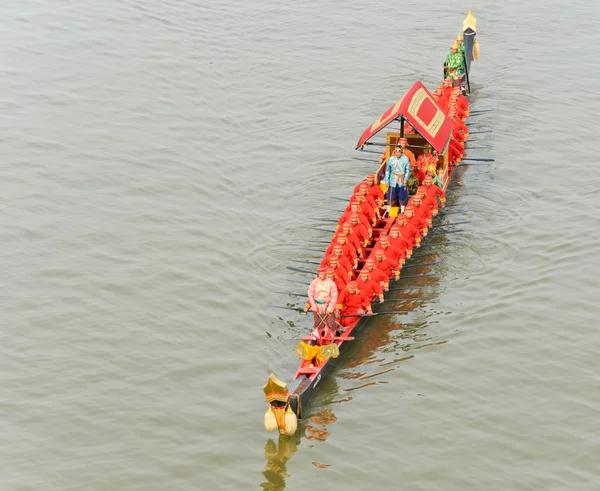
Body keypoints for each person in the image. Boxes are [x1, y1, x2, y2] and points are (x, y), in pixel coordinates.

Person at [304, 267, 338, 335]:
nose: (321, 276)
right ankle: (318, 335)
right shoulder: (314, 282)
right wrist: (313, 306)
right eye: (320, 274)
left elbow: (334, 297)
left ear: (325, 274)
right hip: (317, 305)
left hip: (327, 305)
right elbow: (310, 295)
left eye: (323, 274)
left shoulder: (331, 283)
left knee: (330, 322)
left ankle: (333, 334)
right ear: (318, 274)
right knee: (318, 322)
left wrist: (330, 308)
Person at [383, 146, 410, 213]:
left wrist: (406, 179)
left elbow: (407, 170)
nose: (397, 154)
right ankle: (388, 210)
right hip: (393, 178)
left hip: (402, 178)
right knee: (391, 194)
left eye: (399, 152)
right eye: (396, 152)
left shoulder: (405, 159)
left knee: (402, 195)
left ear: (401, 152)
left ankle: (402, 210)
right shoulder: (391, 159)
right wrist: (387, 181)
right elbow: (387, 170)